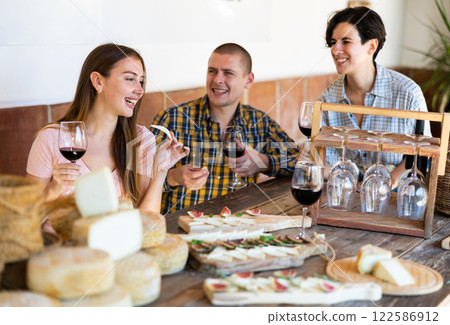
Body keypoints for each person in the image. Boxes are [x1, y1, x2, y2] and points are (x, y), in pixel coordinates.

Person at [26, 43, 188, 212]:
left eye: (141, 81)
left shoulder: (139, 141)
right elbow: (27, 219)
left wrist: (160, 171)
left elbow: (145, 221)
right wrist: (53, 190)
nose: (140, 90)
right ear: (98, 81)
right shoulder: (51, 138)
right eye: (130, 79)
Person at [152, 43, 298, 214]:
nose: (217, 80)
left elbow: (301, 162)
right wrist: (173, 177)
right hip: (179, 230)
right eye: (212, 71)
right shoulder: (172, 119)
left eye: (228, 73)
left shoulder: (260, 123)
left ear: (248, 80)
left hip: (236, 228)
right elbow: (136, 183)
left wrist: (262, 163)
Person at [319, 6, 431, 189]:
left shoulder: (408, 94)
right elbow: (322, 160)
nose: (334, 50)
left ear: (371, 46)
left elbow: (422, 154)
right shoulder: (327, 99)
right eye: (333, 42)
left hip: (397, 199)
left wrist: (385, 185)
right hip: (342, 198)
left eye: (345, 41)